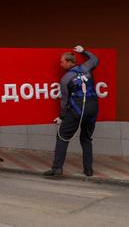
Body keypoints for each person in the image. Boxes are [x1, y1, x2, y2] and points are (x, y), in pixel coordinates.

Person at [44, 45, 99, 178]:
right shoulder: (86, 67)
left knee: (62, 136)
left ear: (69, 62)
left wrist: (61, 117)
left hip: (77, 111)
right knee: (86, 138)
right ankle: (88, 170)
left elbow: (64, 101)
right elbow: (95, 59)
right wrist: (84, 51)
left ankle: (57, 169)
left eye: (62, 61)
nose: (60, 64)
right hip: (93, 109)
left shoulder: (66, 79)